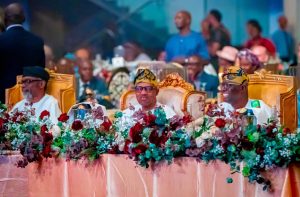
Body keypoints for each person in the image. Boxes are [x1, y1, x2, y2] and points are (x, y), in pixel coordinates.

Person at [0, 3, 45, 103]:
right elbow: (41, 73)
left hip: (4, 102)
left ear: (5, 19)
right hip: (31, 101)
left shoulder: (1, 41)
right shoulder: (37, 41)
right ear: (23, 18)